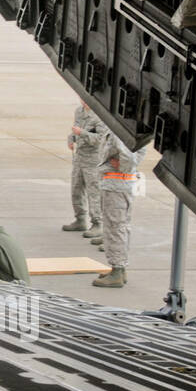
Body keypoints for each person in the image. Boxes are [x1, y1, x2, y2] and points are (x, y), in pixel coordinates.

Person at [94, 132, 147, 287]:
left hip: (116, 185)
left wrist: (124, 167)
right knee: (121, 227)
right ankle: (119, 268)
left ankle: (117, 271)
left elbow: (129, 159)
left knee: (115, 228)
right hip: (120, 184)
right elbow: (139, 153)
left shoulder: (120, 131)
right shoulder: (133, 131)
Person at [63, 101, 105, 238]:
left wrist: (82, 133)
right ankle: (80, 219)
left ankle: (97, 223)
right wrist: (71, 138)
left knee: (93, 191)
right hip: (79, 157)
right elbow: (74, 129)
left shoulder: (99, 115)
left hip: (92, 159)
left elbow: (100, 139)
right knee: (76, 189)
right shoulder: (79, 111)